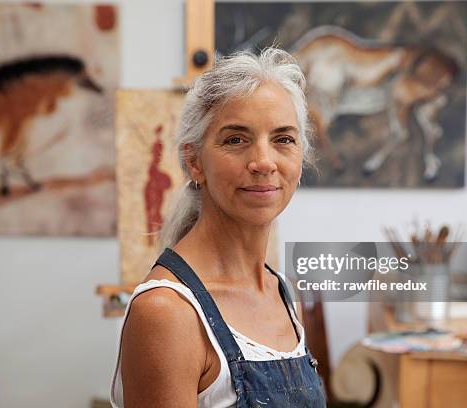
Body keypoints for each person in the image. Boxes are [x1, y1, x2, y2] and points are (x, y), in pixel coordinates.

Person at [110, 47, 326, 407]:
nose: (263, 161)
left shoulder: (282, 293)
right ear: (194, 161)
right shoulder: (168, 312)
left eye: (283, 139)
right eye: (235, 139)